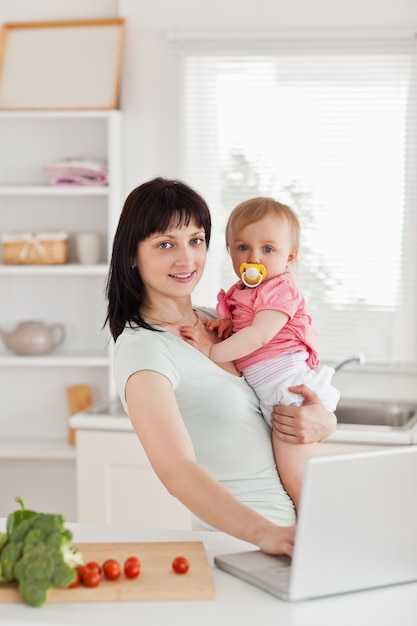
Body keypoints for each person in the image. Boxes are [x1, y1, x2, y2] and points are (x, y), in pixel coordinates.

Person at [105, 177, 337, 557]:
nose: (186, 259)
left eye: (195, 241)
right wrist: (264, 534)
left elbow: (275, 400)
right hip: (242, 549)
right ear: (132, 253)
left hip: (301, 540)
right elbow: (176, 470)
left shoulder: (221, 323)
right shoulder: (143, 350)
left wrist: (324, 422)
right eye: (165, 244)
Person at [181, 197, 339, 510]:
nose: (254, 257)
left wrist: (211, 350)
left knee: (300, 485)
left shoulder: (280, 288)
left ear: (289, 256)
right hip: (267, 392)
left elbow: (260, 334)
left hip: (287, 390)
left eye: (268, 249)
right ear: (229, 250)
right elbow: (244, 328)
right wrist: (225, 324)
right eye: (243, 247)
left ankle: (322, 539)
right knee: (288, 482)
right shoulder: (238, 293)